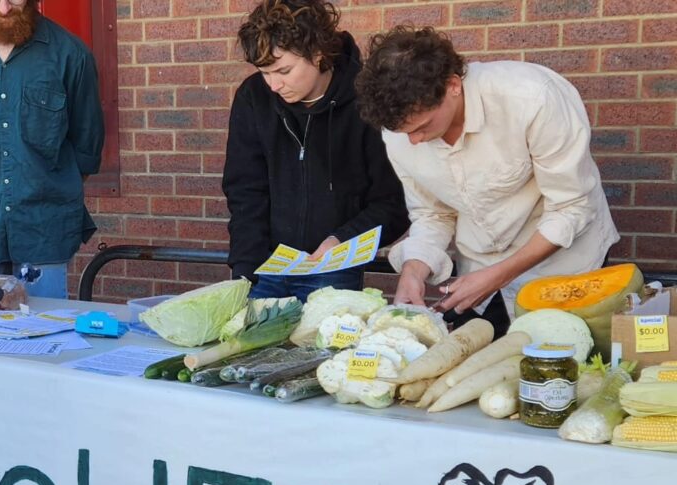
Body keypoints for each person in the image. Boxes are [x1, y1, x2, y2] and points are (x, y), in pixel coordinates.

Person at [355, 26, 619, 335]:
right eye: (404, 133)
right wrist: (413, 270)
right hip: (479, 276)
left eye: (423, 126)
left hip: (564, 268)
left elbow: (571, 208)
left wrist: (498, 276)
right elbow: (432, 213)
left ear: (452, 85)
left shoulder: (532, 98)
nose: (414, 141)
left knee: (567, 368)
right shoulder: (400, 131)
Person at [223, 0, 409, 301]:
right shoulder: (253, 97)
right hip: (264, 268)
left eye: (283, 70)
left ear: (318, 53)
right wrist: (244, 273)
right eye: (264, 72)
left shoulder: (366, 100)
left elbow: (393, 201)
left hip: (333, 269)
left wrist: (342, 240)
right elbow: (245, 192)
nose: (273, 85)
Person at [0, 0, 104, 298]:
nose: (3, 9)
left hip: (43, 230)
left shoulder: (71, 54)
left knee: (43, 332)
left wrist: (41, 184)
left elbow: (86, 149)